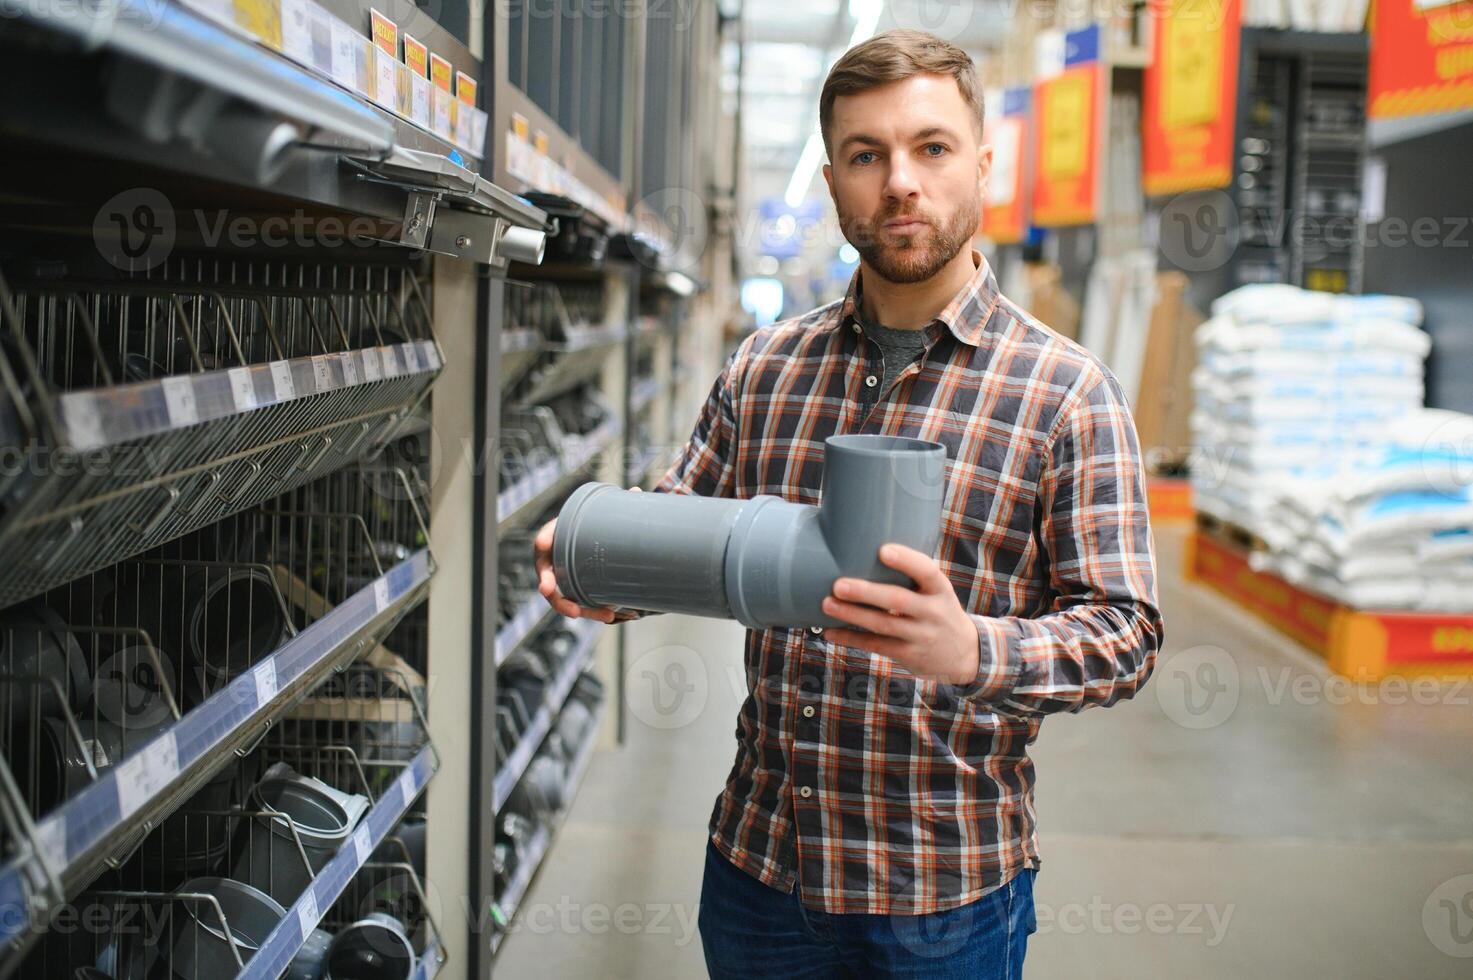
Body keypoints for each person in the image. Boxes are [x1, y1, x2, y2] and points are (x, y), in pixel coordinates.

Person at [535, 28, 1163, 980]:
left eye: (931, 148)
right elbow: (680, 519)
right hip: (759, 871)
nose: (899, 181)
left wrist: (973, 650)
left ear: (981, 166)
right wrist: (601, 569)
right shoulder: (766, 368)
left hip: (940, 896)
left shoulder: (1066, 393)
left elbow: (1125, 631)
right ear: (832, 182)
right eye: (866, 155)